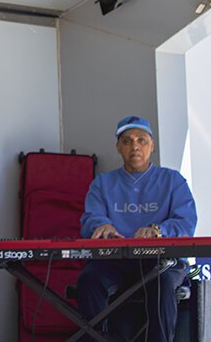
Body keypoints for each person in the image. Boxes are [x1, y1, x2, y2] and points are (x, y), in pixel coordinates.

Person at [77, 115, 197, 342]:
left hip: (162, 262)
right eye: (127, 140)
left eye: (141, 140)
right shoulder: (102, 183)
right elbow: (90, 218)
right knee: (88, 280)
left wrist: (158, 230)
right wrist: (100, 226)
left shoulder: (173, 181)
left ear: (152, 145)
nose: (135, 146)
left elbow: (186, 222)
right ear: (118, 147)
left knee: (161, 283)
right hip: (115, 261)